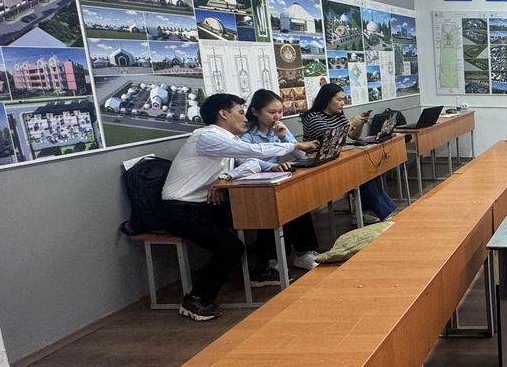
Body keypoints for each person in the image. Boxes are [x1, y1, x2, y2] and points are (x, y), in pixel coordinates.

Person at [160, 93, 319, 321]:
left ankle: (263, 269)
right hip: (179, 209)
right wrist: (294, 144)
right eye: (240, 113)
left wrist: (226, 176)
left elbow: (251, 163)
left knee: (264, 211)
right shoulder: (206, 137)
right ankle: (195, 300)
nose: (245, 119)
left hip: (206, 204)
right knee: (231, 248)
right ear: (223, 114)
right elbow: (253, 152)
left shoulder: (228, 139)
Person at [241, 89, 321, 284]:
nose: (277, 116)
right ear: (255, 111)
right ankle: (269, 262)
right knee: (273, 209)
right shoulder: (247, 134)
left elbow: (301, 154)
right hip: (251, 186)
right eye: (271, 112)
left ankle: (303, 253)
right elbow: (243, 161)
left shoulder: (278, 129)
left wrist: (285, 137)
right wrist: (271, 166)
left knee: (298, 201)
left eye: (280, 111)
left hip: (274, 181)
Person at [300, 83, 398, 222]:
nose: (342, 103)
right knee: (362, 178)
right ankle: (386, 213)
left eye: (343, 99)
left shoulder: (338, 115)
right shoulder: (313, 117)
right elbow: (331, 139)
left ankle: (367, 212)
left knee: (370, 172)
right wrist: (351, 122)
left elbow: (354, 136)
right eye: (339, 99)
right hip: (321, 165)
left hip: (338, 158)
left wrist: (360, 124)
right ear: (327, 99)